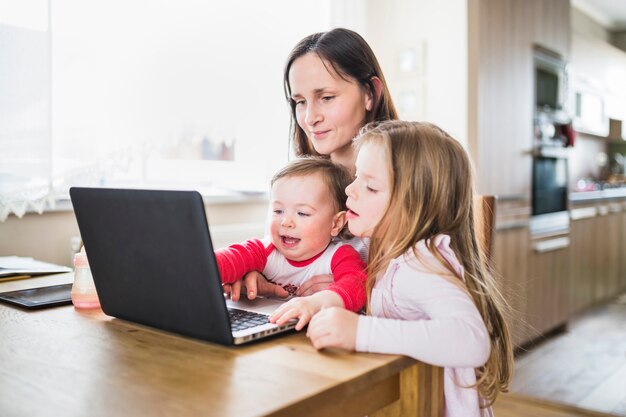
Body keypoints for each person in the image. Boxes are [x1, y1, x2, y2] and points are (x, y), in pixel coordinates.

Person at [305, 121, 514, 416]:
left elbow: (471, 339)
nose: (350, 190)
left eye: (371, 186)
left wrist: (360, 331)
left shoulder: (420, 264)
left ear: (416, 205)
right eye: (356, 177)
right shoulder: (390, 254)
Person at [225, 27, 398, 301]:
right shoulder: (303, 185)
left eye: (326, 98)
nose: (309, 117)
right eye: (300, 102)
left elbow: (422, 300)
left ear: (370, 93)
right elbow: (274, 257)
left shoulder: (405, 187)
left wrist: (347, 294)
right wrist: (263, 280)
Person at [215, 157, 367, 330]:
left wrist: (315, 303)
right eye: (278, 211)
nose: (286, 222)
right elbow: (224, 261)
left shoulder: (340, 255)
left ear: (336, 224)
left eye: (302, 213)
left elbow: (357, 284)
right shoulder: (266, 249)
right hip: (272, 328)